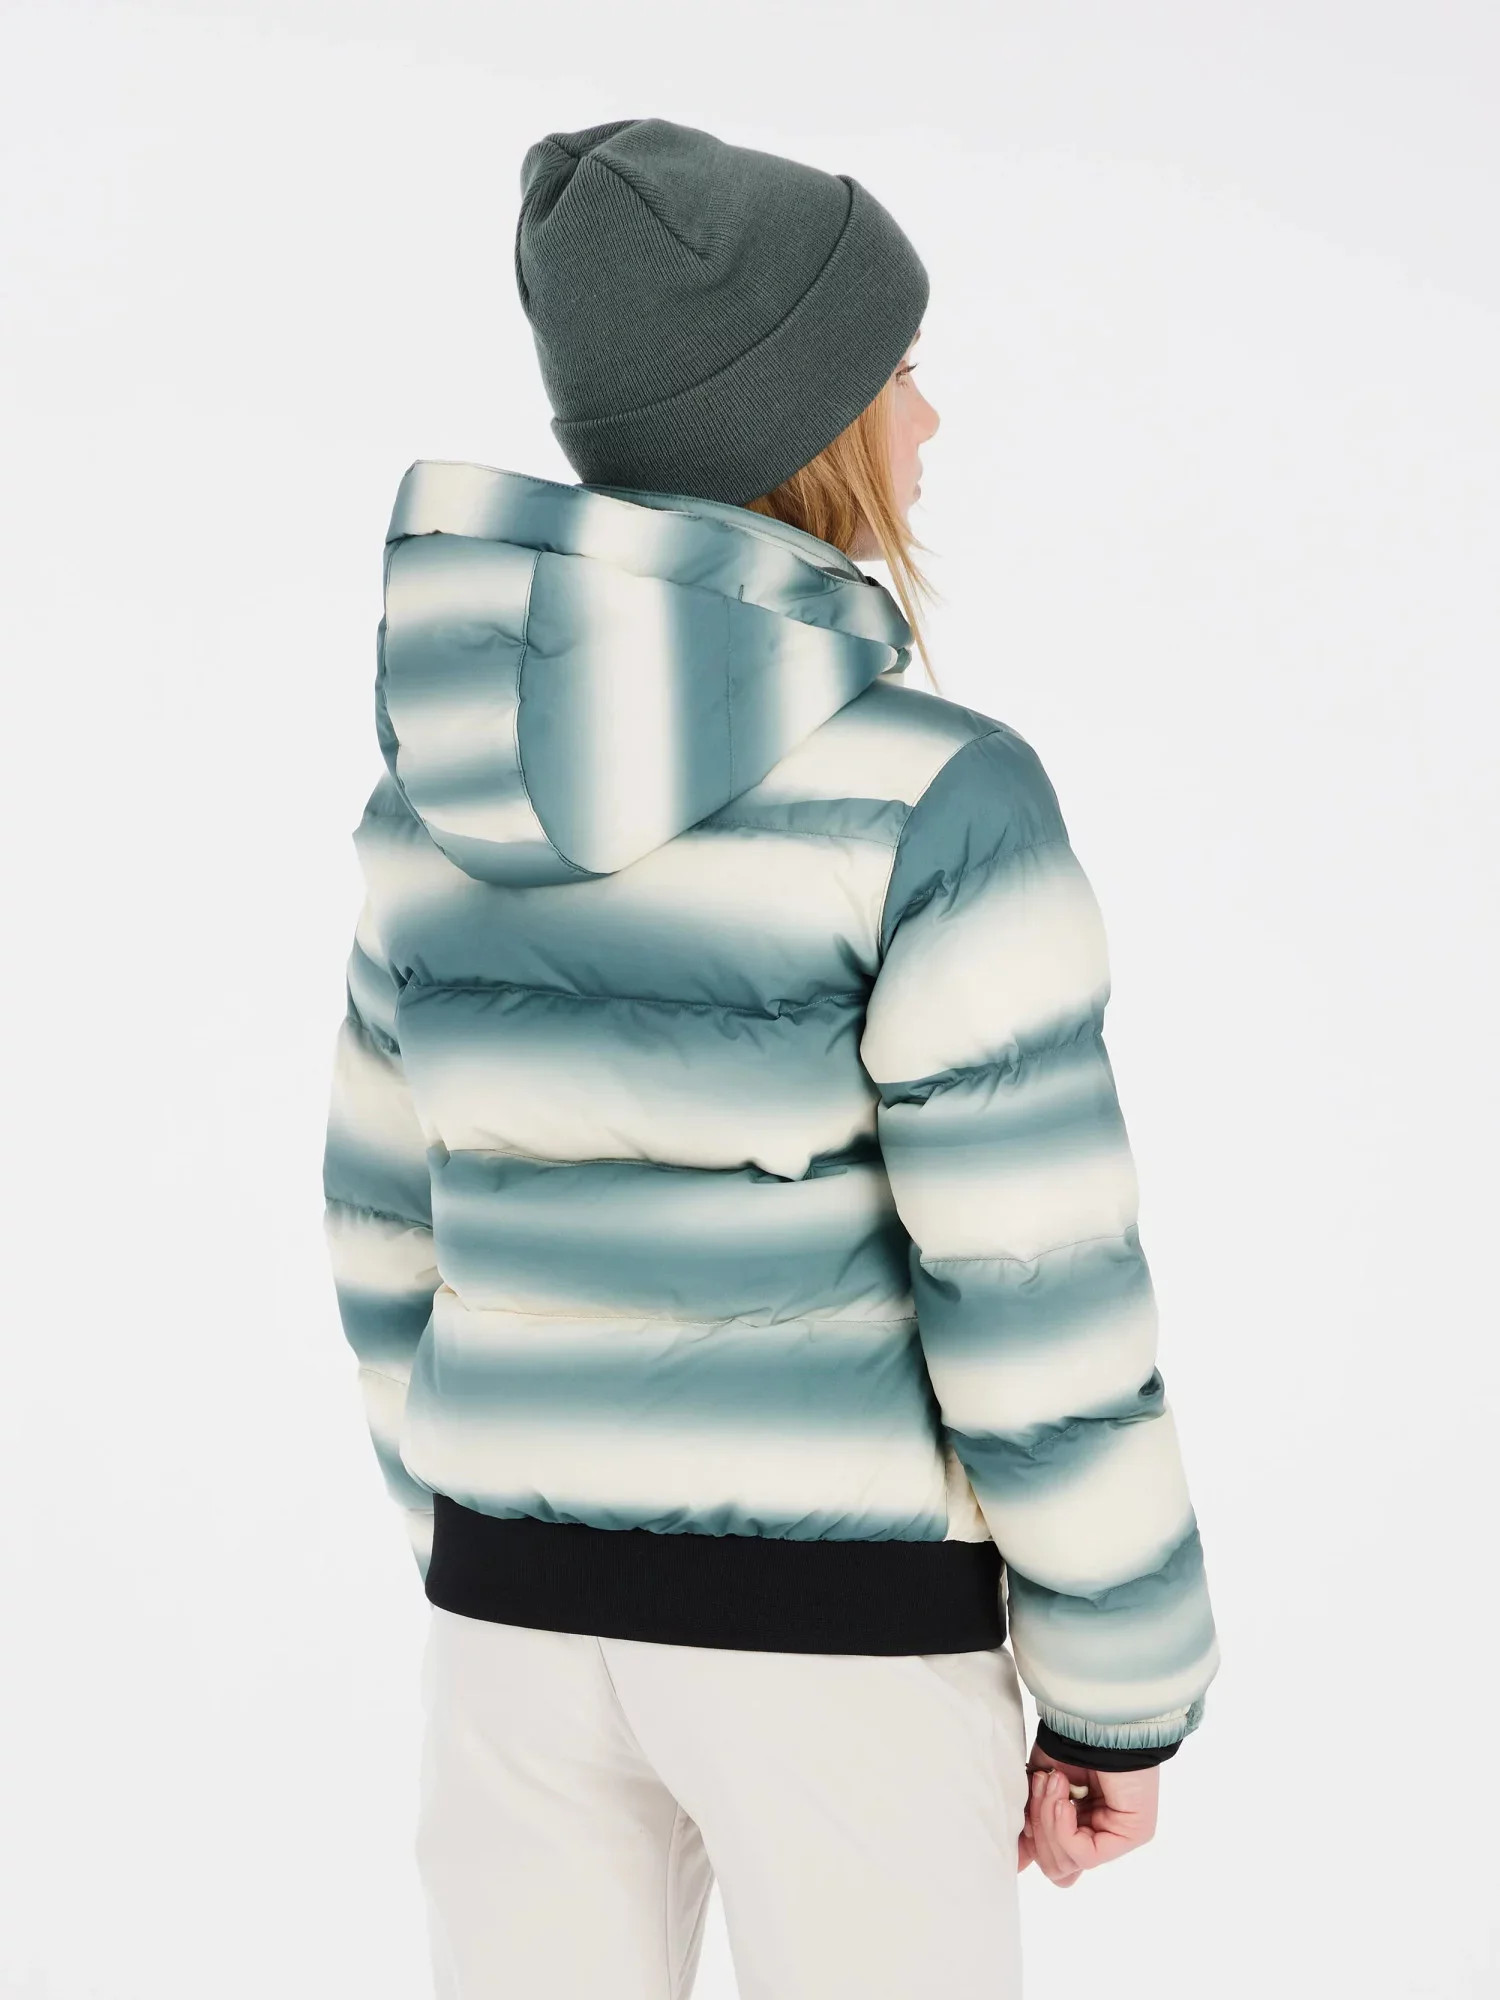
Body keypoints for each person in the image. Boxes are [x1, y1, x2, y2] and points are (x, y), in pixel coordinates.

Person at [321, 115, 1221, 1999]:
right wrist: (1117, 1685)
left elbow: (386, 1231)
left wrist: (494, 1522)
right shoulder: (936, 799)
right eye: (898, 368)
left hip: (514, 1634)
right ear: (797, 416)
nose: (929, 417)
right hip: (841, 1647)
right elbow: (1032, 1283)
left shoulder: (439, 796)